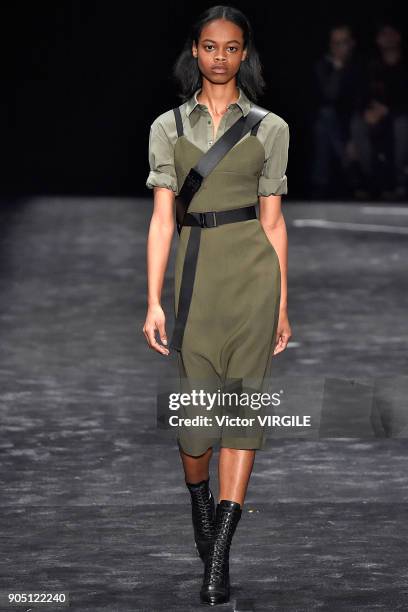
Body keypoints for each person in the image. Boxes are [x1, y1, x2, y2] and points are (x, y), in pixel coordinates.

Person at [143, 5, 291, 606]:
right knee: (195, 425)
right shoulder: (168, 127)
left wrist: (282, 304)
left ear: (244, 54)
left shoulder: (270, 128)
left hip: (252, 280)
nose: (221, 58)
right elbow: (160, 221)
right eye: (210, 47)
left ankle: (220, 554)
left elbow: (275, 223)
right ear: (195, 52)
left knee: (243, 415)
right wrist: (152, 300)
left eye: (232, 48)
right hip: (195, 279)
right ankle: (199, 502)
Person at [349, 22, 408, 200]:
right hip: (377, 118)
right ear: (378, 39)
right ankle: (369, 180)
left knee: (402, 124)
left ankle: (399, 181)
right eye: (384, 34)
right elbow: (362, 94)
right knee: (358, 123)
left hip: (399, 117)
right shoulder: (372, 66)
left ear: (398, 36)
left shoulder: (404, 66)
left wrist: (388, 110)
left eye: (392, 33)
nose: (388, 38)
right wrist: (368, 111)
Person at [309, 23, 366, 199]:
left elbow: (361, 99)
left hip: (354, 118)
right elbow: (329, 96)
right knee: (325, 120)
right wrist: (337, 69)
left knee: (324, 125)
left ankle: (320, 183)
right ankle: (351, 170)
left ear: (352, 43)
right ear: (331, 46)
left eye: (344, 42)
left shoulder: (360, 66)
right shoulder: (323, 67)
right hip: (334, 120)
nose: (340, 47)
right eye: (336, 43)